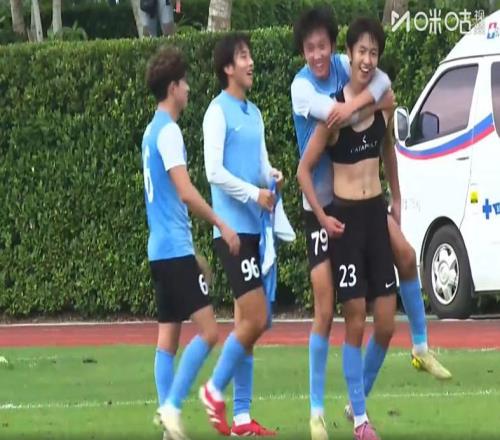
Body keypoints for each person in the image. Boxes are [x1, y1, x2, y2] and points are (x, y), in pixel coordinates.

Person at [291, 7, 452, 438]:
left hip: (376, 212)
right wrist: (322, 215)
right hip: (342, 218)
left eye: (373, 52)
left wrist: (397, 197)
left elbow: (388, 148)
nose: (367, 59)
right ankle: (357, 418)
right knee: (350, 317)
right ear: (348, 54)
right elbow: (304, 169)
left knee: (385, 320)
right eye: (361, 51)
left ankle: (414, 349)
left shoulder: (380, 103)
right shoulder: (327, 108)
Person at [291, 7, 395, 439]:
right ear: (303, 51)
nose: (318, 55)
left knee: (386, 311)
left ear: (336, 47)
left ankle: (418, 344)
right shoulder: (301, 87)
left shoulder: (345, 63)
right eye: (310, 48)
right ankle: (319, 411)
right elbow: (335, 115)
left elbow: (382, 82)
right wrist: (365, 103)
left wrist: (373, 95)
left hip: (363, 208)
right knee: (325, 305)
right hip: (321, 207)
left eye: (323, 46)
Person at [141, 45, 240, 440]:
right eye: (183, 83)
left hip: (161, 250)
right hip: (173, 251)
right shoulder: (169, 132)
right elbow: (184, 191)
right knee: (211, 332)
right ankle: (171, 407)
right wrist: (221, 223)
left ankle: (169, 427)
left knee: (167, 340)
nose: (188, 88)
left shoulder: (151, 131)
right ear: (172, 87)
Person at [198, 33, 281, 437]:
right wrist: (253, 193)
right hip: (231, 233)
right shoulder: (217, 112)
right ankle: (213, 389)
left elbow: (261, 165)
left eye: (250, 56)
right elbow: (213, 171)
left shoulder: (256, 113)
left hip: (255, 231)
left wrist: (272, 176)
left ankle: (243, 418)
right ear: (227, 68)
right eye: (243, 57)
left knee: (246, 323)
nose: (251, 63)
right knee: (257, 318)